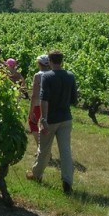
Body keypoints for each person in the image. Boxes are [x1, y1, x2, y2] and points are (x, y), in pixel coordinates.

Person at [26, 50, 78, 193]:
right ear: (61, 61)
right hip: (66, 118)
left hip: (51, 119)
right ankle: (67, 181)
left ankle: (36, 175)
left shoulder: (47, 77)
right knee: (65, 151)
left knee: (44, 149)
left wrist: (43, 119)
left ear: (50, 61)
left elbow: (44, 99)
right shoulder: (70, 76)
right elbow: (74, 99)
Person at [26, 54, 51, 149]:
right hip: (50, 104)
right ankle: (45, 149)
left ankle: (40, 147)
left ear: (39, 64)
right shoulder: (52, 74)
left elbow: (34, 94)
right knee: (45, 126)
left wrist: (31, 110)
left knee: (32, 123)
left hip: (39, 104)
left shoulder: (38, 75)